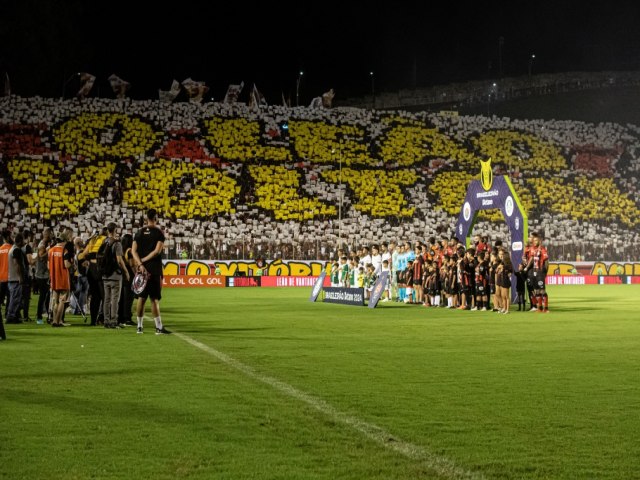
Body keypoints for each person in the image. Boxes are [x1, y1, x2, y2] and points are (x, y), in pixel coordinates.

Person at [131, 209, 169, 335]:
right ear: (156, 218)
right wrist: (144, 261)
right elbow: (157, 252)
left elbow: (133, 251)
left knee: (141, 298)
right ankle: (158, 327)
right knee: (154, 299)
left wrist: (140, 263)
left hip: (141, 270)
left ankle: (140, 327)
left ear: (146, 218)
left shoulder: (139, 232)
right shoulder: (159, 233)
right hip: (154, 269)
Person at [101, 222, 130, 329]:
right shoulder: (117, 243)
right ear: (115, 230)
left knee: (106, 299)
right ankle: (113, 321)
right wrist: (126, 271)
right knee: (114, 300)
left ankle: (106, 321)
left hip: (105, 275)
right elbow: (119, 260)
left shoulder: (104, 242)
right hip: (115, 275)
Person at [48, 229, 73, 327]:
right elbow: (66, 265)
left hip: (54, 278)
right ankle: (59, 321)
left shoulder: (50, 250)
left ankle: (54, 320)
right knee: (62, 301)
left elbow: (48, 266)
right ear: (64, 241)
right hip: (62, 278)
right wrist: (71, 263)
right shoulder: (64, 251)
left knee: (55, 301)